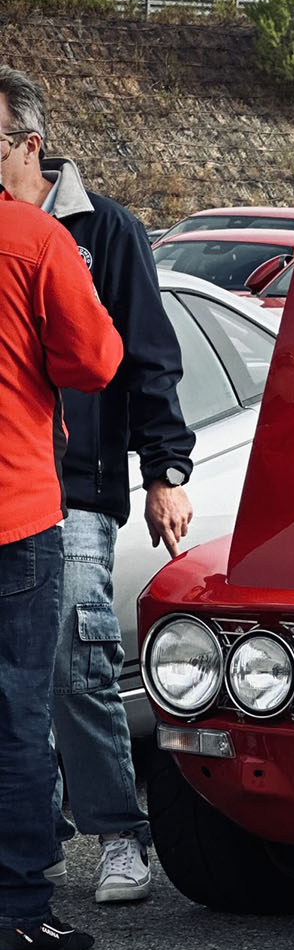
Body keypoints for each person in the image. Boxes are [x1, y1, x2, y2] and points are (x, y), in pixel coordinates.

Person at [0, 68, 195, 906]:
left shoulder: (103, 229)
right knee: (16, 674)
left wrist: (165, 471)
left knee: (75, 660)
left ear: (29, 144)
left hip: (77, 487)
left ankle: (119, 832)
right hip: (12, 484)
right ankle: (35, 837)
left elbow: (145, 358)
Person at [0, 186, 124, 950]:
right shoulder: (33, 237)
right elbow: (96, 359)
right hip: (14, 513)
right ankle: (15, 907)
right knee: (15, 711)